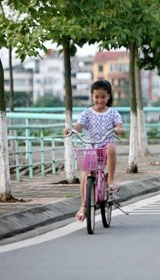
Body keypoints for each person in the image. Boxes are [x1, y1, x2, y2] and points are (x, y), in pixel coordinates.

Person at [63, 80, 125, 222]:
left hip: (105, 148)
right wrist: (71, 130)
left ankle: (110, 182)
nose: (99, 100)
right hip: (91, 148)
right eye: (96, 97)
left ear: (108, 96)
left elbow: (120, 127)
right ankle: (84, 206)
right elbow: (78, 127)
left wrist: (118, 129)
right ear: (92, 96)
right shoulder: (87, 113)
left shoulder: (113, 113)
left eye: (103, 97)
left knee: (111, 147)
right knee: (84, 176)